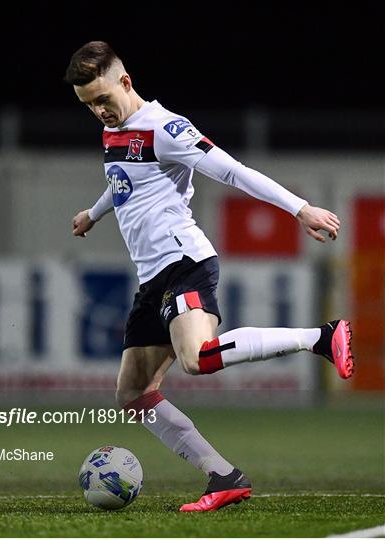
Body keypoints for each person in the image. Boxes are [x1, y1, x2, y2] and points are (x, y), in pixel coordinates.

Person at [65, 41, 354, 512]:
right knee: (133, 394)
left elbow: (235, 173)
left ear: (126, 82)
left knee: (197, 358)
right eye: (88, 105)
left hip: (185, 262)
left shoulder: (167, 128)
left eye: (103, 99)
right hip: (153, 277)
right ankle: (223, 476)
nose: (98, 111)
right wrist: (94, 212)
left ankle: (320, 337)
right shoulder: (115, 131)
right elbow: (125, 181)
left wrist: (301, 209)